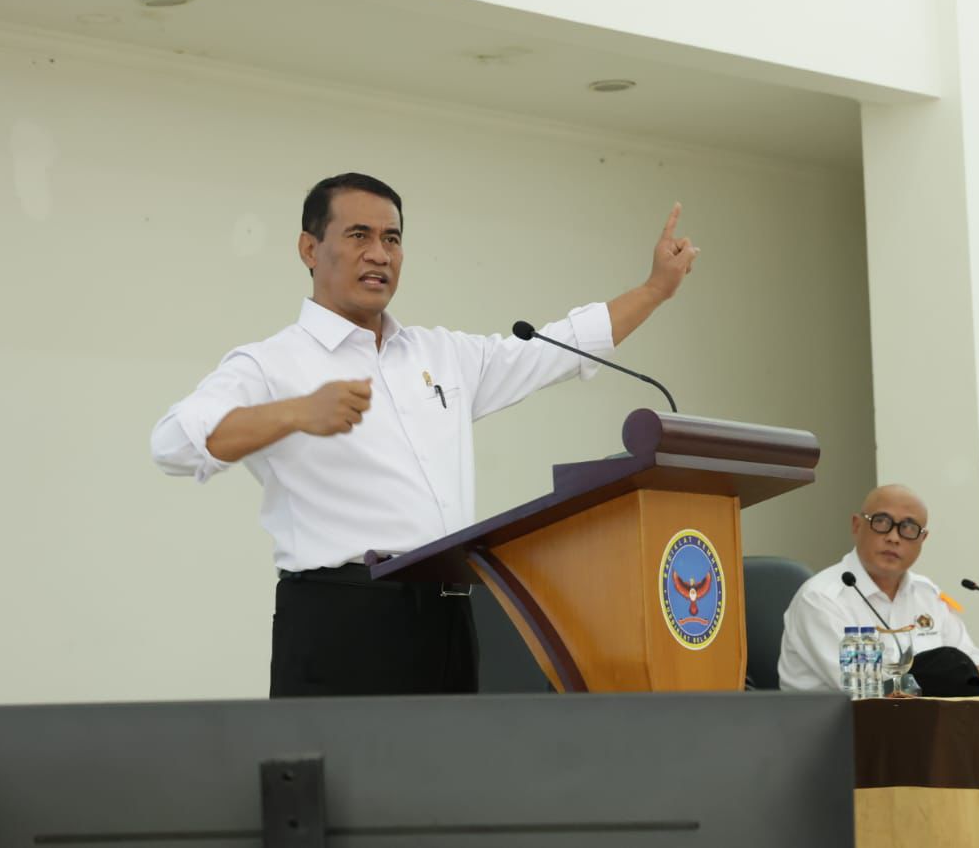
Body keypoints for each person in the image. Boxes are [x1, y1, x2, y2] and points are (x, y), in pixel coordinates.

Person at [150, 172, 699, 697]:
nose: (379, 254)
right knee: (345, 769)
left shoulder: (440, 354)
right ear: (309, 249)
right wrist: (296, 412)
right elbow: (173, 443)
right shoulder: (271, 363)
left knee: (448, 766)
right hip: (342, 619)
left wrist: (655, 289)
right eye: (359, 235)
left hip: (449, 614)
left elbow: (558, 348)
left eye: (392, 238)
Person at [776, 484, 979, 692]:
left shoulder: (927, 594)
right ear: (856, 525)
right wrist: (946, 677)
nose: (893, 537)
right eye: (881, 522)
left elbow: (976, 664)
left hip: (921, 716)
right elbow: (864, 687)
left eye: (908, 528)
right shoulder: (820, 598)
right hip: (838, 719)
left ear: (922, 538)